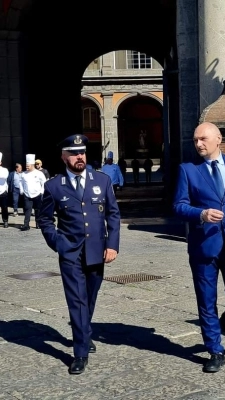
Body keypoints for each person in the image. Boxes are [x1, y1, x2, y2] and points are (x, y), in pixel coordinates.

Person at [173, 122, 225, 373]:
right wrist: (201, 214)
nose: (198, 144)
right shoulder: (187, 170)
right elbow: (178, 206)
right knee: (206, 301)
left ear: (218, 139)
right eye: (195, 140)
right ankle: (215, 351)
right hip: (204, 245)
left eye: (203, 139)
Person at [37, 134, 120, 375]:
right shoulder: (53, 186)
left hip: (97, 251)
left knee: (90, 298)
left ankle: (84, 333)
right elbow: (44, 218)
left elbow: (113, 215)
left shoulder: (101, 181)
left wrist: (112, 244)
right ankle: (80, 352)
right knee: (77, 300)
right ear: (64, 157)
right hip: (70, 254)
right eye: (73, 153)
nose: (79, 156)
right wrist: (56, 242)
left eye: (82, 152)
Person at [20, 154, 46, 231]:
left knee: (38, 210)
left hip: (37, 194)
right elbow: (21, 182)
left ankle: (38, 224)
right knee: (27, 210)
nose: (27, 167)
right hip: (27, 194)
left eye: (28, 166)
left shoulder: (39, 173)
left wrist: (42, 191)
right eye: (26, 166)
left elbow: (44, 182)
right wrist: (22, 190)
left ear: (32, 165)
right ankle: (26, 225)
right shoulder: (23, 174)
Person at [0, 152, 9, 228]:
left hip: (3, 191)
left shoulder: (4, 170)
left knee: (4, 208)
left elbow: (4, 176)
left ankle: (5, 221)